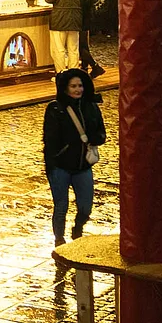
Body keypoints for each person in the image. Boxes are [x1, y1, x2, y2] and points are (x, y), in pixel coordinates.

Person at [42, 67, 104, 243]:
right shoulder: (56, 109)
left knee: (86, 207)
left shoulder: (91, 108)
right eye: (73, 86)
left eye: (80, 85)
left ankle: (78, 228)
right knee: (61, 206)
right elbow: (49, 140)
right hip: (60, 167)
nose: (78, 89)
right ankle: (59, 239)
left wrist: (94, 138)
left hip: (82, 167)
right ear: (65, 88)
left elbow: (101, 133)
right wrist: (52, 164)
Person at [45, 0, 90, 75]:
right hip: (75, 19)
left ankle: (61, 75)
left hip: (59, 19)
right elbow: (83, 1)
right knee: (73, 49)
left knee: (58, 49)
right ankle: (74, 74)